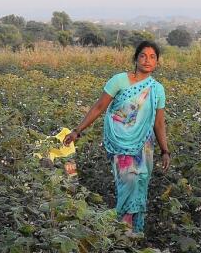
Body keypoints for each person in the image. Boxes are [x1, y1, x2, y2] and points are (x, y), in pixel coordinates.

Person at [63, 41, 170, 234]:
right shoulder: (119, 81)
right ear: (136, 59)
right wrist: (77, 131)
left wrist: (165, 150)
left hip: (144, 146)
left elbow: (159, 123)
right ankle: (122, 231)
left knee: (140, 183)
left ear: (157, 62)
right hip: (120, 142)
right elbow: (98, 107)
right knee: (128, 181)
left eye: (152, 57)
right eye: (143, 56)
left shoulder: (157, 89)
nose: (147, 60)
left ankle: (133, 234)